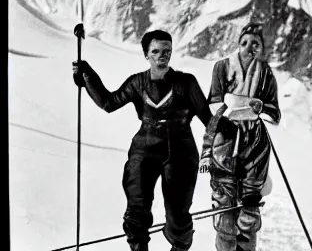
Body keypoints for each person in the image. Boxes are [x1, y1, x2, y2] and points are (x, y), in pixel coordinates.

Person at [72, 29, 211, 251]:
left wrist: (231, 130)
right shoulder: (137, 83)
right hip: (144, 148)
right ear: (146, 54)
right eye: (155, 51)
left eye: (167, 51)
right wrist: (87, 76)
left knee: (178, 215)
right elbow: (109, 102)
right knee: (136, 210)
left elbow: (208, 120)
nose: (162, 56)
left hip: (181, 151)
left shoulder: (186, 82)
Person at [199, 23, 281, 251]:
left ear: (262, 48)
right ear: (238, 44)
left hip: (254, 142)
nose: (249, 48)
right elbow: (214, 100)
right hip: (225, 137)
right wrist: (233, 107)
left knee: (249, 209)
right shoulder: (222, 67)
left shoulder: (266, 73)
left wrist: (260, 107)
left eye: (255, 43)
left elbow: (274, 114)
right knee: (224, 207)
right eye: (245, 42)